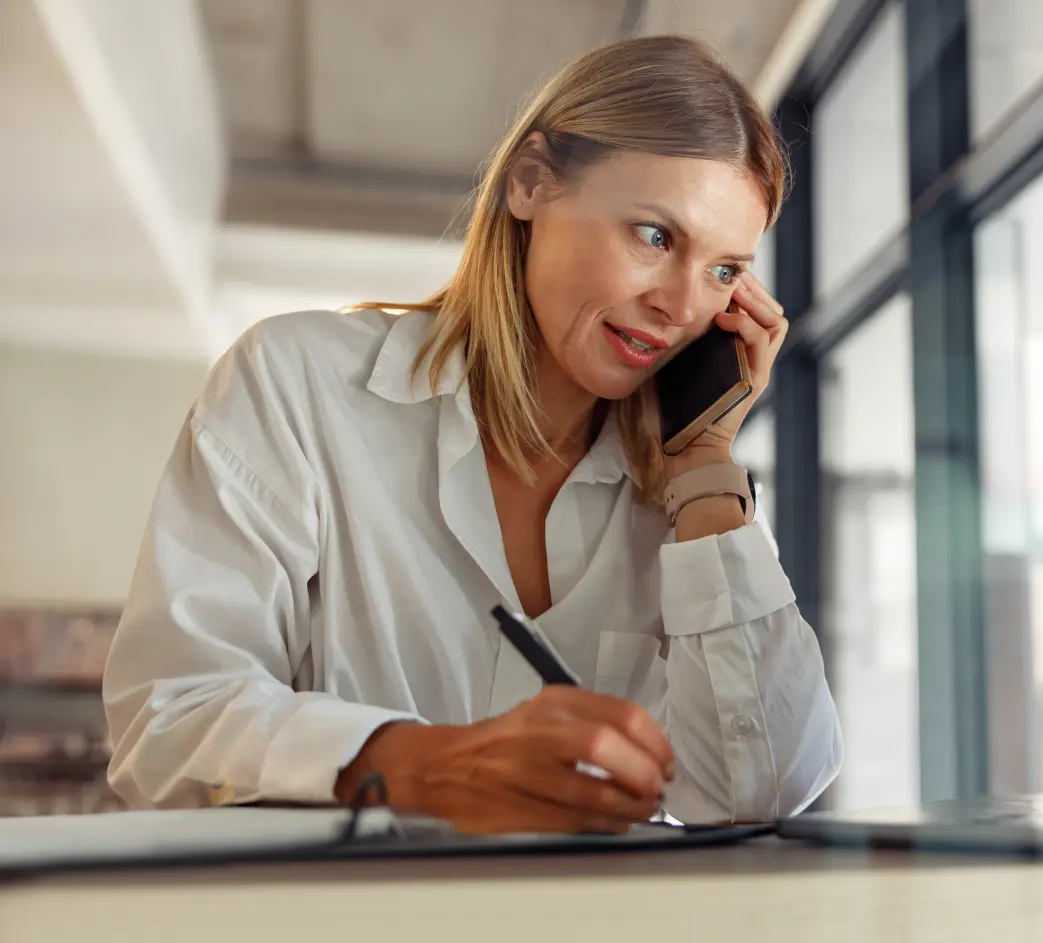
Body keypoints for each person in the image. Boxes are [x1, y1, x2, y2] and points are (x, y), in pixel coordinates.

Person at [102, 35, 843, 833]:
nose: (681, 306)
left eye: (724, 270)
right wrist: (424, 766)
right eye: (656, 237)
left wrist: (703, 469)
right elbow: (167, 724)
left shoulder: (685, 490)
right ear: (530, 183)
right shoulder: (300, 385)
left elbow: (763, 786)